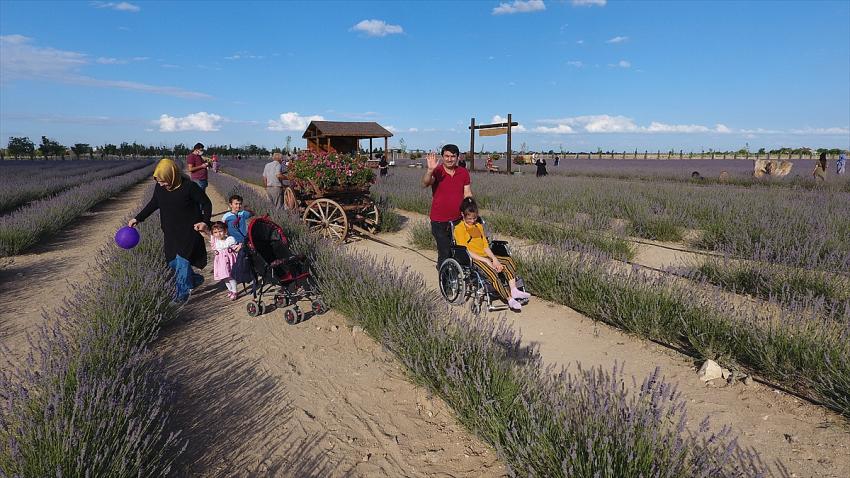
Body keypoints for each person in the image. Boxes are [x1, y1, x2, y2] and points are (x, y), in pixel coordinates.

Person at [129, 158, 212, 303]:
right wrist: (138, 218)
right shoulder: (160, 188)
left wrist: (204, 222)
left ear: (171, 176)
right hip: (170, 232)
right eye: (158, 181)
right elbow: (153, 204)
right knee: (172, 262)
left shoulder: (189, 187)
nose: (161, 184)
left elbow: (206, 203)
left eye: (163, 180)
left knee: (182, 262)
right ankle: (194, 280)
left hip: (189, 232)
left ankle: (181, 297)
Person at [453, 198, 529, 311]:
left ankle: (514, 290)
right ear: (462, 215)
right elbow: (466, 251)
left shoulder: (478, 226)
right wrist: (487, 261)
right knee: (492, 273)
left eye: (474, 218)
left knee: (508, 260)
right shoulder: (459, 229)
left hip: (485, 255)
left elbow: (485, 246)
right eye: (469, 218)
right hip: (473, 258)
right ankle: (509, 299)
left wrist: (494, 259)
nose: (472, 221)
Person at [421, 144, 472, 270]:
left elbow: (467, 193)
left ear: (457, 157)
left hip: (458, 219)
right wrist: (430, 170)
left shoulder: (463, 172)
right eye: (447, 156)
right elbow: (425, 183)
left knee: (461, 249)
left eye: (453, 156)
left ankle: (458, 275)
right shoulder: (437, 171)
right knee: (445, 252)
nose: (450, 159)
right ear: (442, 157)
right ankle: (446, 281)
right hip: (439, 221)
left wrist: (471, 210)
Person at [207, 221, 241, 301]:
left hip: (230, 261)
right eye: (215, 232)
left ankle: (235, 291)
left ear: (225, 231)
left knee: (230, 277)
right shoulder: (215, 242)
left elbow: (235, 248)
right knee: (224, 277)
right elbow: (207, 234)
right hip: (221, 262)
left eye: (220, 231)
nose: (218, 234)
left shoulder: (229, 240)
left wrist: (239, 246)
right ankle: (230, 290)